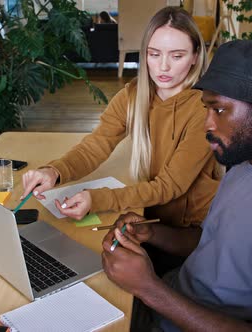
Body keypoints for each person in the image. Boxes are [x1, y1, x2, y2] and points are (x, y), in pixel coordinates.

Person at [101, 40, 252, 332]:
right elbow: (213, 246)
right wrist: (151, 232)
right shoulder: (245, 164)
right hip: (166, 297)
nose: (207, 124)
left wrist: (148, 288)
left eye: (218, 110)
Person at [21, 6, 220, 274]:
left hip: (188, 234)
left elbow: (170, 186)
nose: (163, 66)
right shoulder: (133, 94)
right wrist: (54, 171)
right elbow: (96, 145)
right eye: (154, 54)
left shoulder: (203, 108)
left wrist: (99, 199)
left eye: (177, 56)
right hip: (148, 214)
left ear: (196, 57)